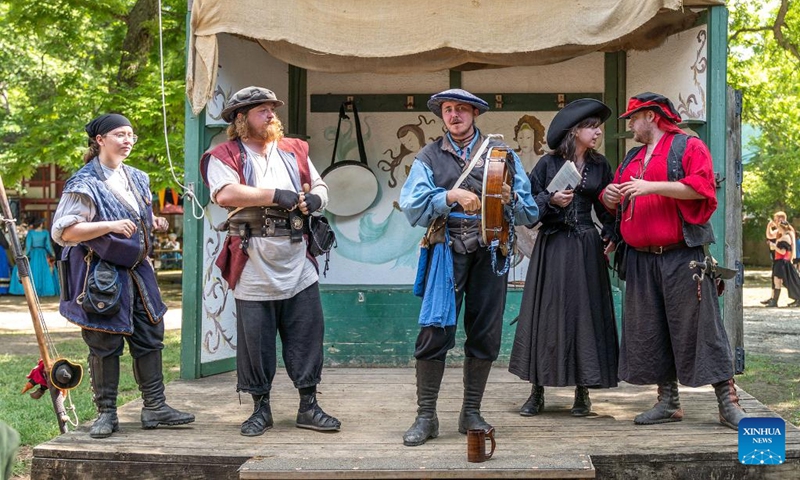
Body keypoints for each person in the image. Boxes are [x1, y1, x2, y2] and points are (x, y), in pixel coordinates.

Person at [399, 89, 538, 446]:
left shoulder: (501, 155)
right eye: (448, 110)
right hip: (446, 251)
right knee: (434, 331)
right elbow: (411, 204)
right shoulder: (429, 156)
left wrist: (513, 199)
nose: (454, 115)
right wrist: (449, 196)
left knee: (486, 333)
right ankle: (426, 416)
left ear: (475, 113)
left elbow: (530, 213)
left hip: (492, 252)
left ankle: (471, 411)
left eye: (461, 109)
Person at [601, 92, 746, 430]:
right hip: (641, 260)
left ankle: (728, 403)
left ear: (651, 116)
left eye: (633, 118)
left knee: (703, 328)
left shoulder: (687, 147)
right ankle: (667, 402)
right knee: (650, 331)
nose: (630, 125)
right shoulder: (634, 156)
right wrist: (610, 196)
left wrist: (652, 187)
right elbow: (622, 197)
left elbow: (702, 188)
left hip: (683, 258)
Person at [200, 86, 340, 436]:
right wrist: (276, 195)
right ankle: (260, 409)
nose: (272, 116)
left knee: (307, 335)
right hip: (252, 261)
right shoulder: (224, 154)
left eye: (272, 110)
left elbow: (321, 186)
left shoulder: (294, 150)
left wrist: (315, 201)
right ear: (240, 118)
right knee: (256, 341)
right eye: (262, 110)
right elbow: (226, 193)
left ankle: (309, 406)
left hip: (297, 259)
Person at [52, 113, 195, 438]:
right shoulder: (84, 183)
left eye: (131, 134)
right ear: (100, 140)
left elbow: (134, 216)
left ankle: (155, 407)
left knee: (149, 337)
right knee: (104, 342)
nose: (128, 140)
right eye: (120, 134)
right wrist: (109, 226)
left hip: (138, 273)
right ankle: (106, 414)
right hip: (101, 275)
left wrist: (153, 221)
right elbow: (65, 231)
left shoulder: (137, 178)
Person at [508, 99, 619, 418]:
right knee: (547, 316)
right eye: (592, 126)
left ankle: (583, 392)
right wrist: (551, 199)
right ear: (575, 131)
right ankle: (537, 391)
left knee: (584, 315)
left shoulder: (600, 165)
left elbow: (605, 207)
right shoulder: (547, 165)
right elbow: (527, 212)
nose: (598, 132)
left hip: (586, 247)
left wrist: (611, 233)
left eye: (598, 126)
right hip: (553, 247)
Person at [11, 217, 60, 297]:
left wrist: (24, 256)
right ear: (41, 224)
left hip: (33, 254)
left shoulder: (31, 233)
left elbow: (28, 246)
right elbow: (48, 245)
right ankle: (46, 290)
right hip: (43, 254)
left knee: (32, 271)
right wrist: (53, 254)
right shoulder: (45, 233)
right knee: (45, 272)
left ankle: (32, 291)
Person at [762, 213, 800, 307]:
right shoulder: (781, 234)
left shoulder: (787, 234)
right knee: (779, 280)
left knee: (787, 280)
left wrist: (792, 258)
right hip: (780, 261)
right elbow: (770, 235)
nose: (777, 227)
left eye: (777, 219)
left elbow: (786, 250)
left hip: (784, 261)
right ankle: (774, 300)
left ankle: (775, 301)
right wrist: (769, 226)